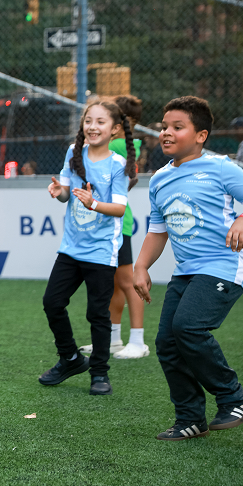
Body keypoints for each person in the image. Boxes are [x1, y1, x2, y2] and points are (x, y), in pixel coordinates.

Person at [133, 96, 243, 441]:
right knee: (167, 342)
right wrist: (141, 266)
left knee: (188, 327)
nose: (166, 133)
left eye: (177, 127)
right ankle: (190, 418)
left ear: (201, 135)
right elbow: (158, 230)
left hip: (222, 266)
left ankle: (233, 397)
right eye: (163, 127)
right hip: (186, 272)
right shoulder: (158, 179)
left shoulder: (221, 167)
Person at [39, 100, 135, 396]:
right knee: (52, 302)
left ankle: (100, 373)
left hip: (102, 252)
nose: (93, 127)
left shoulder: (118, 165)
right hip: (71, 249)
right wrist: (59, 193)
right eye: (88, 121)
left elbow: (119, 209)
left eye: (101, 122)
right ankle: (69, 359)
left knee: (97, 314)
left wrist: (93, 203)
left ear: (115, 129)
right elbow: (67, 194)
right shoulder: (73, 153)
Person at [80, 95, 147, 359]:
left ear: (119, 124)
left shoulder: (117, 146)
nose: (96, 126)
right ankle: (114, 338)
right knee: (116, 285)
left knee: (127, 283)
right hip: (110, 224)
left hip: (117, 225)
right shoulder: (121, 145)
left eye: (105, 119)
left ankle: (138, 341)